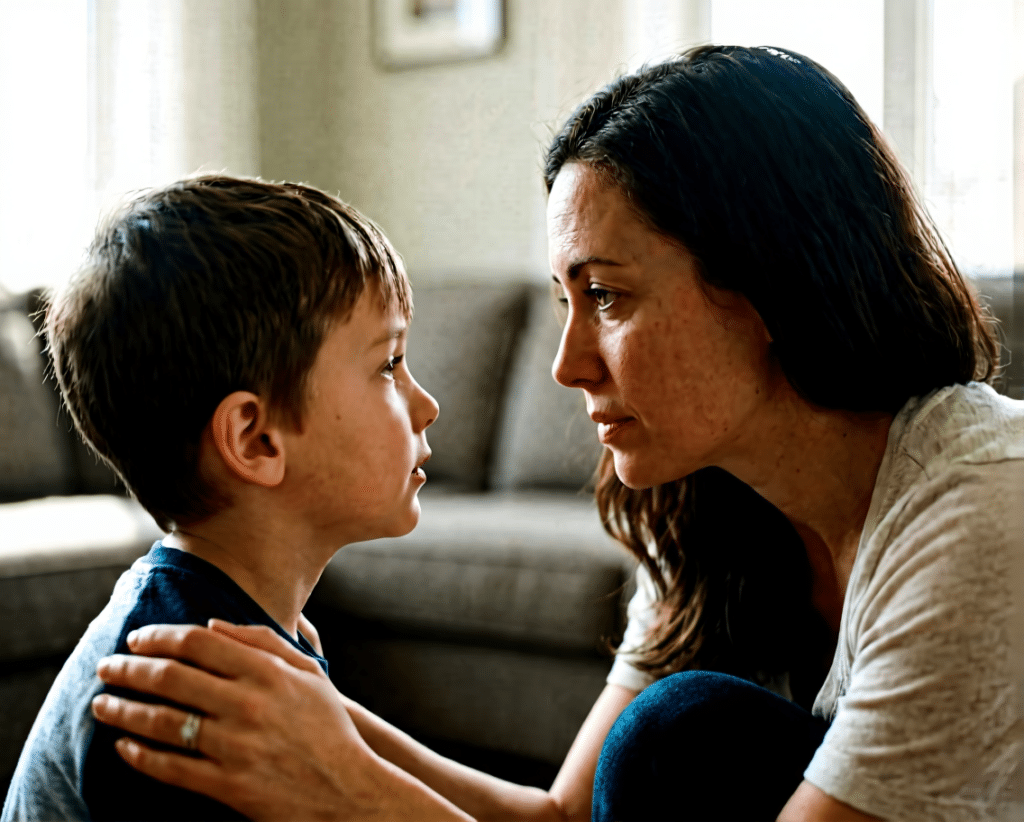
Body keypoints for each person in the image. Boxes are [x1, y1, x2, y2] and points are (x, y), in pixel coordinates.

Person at [86, 45, 1023, 821]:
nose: (567, 365)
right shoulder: (711, 504)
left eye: (606, 295)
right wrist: (312, 718)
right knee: (678, 743)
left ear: (772, 286)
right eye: (564, 302)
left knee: (679, 732)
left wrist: (351, 795)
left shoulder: (984, 515)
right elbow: (571, 817)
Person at [0, 176, 462, 821]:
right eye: (389, 365)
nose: (427, 404)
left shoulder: (241, 624)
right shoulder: (187, 689)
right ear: (255, 439)